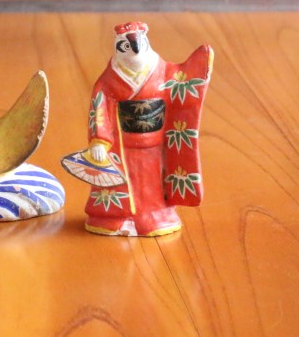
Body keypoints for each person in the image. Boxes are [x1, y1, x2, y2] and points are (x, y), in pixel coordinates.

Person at [82, 22, 213, 236]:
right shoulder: (108, 80)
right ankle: (114, 218)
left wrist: (200, 64)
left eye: (137, 43)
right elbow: (99, 108)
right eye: (125, 46)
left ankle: (155, 215)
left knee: (152, 183)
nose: (133, 50)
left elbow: (183, 82)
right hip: (122, 144)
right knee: (120, 181)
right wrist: (99, 140)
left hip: (155, 144)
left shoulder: (164, 72)